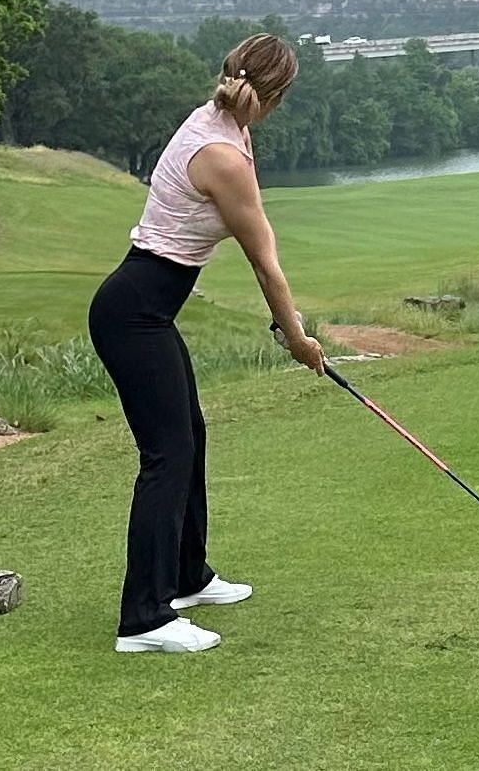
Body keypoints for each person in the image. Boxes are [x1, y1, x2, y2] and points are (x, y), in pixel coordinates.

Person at [88, 34, 325, 654]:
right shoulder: (222, 152)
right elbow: (265, 263)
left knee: (190, 434)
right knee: (166, 455)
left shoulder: (218, 120)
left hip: (146, 309)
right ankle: (143, 619)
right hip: (133, 311)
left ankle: (188, 577)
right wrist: (296, 335)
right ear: (273, 95)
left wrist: (290, 328)